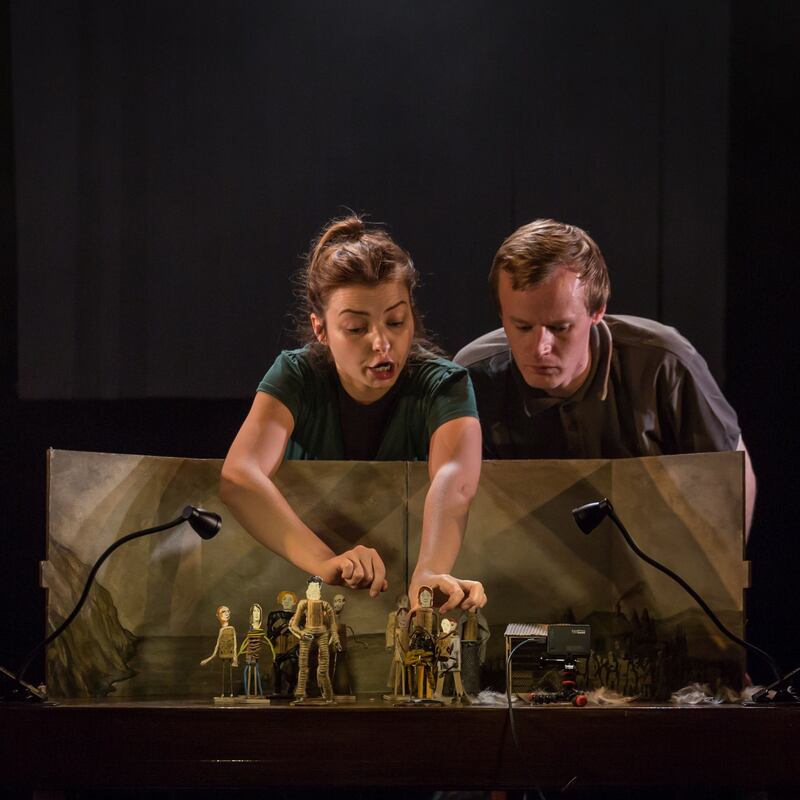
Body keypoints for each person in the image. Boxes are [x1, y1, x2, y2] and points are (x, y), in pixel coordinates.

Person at [220, 215, 486, 610]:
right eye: (356, 328)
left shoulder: (444, 384)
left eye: (395, 321)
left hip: (400, 591)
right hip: (295, 592)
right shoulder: (297, 375)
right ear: (321, 329)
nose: (382, 343)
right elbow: (240, 476)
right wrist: (325, 561)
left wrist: (430, 571)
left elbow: (455, 480)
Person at [455, 218, 756, 537]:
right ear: (501, 314)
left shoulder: (664, 363)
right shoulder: (474, 377)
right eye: (522, 327)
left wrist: (717, 576)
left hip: (655, 555)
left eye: (559, 328)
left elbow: (729, 479)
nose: (540, 348)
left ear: (597, 312)